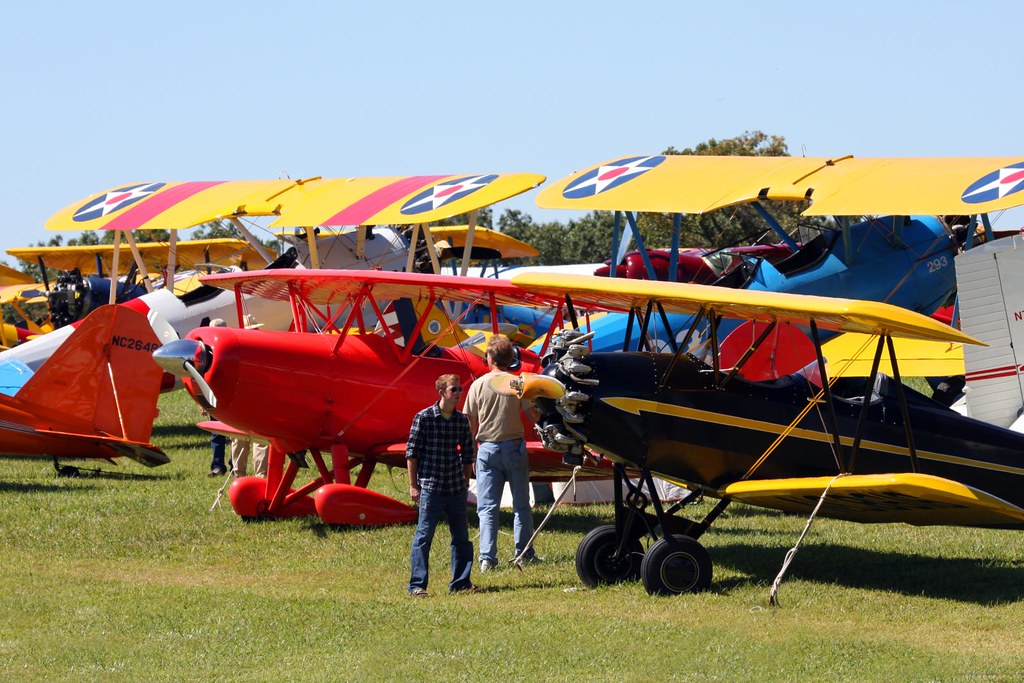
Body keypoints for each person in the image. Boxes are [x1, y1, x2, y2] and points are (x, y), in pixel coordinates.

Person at [464, 334, 540, 571]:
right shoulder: (517, 383)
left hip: (486, 449)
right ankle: (524, 553)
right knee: (521, 505)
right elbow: (533, 415)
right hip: (514, 448)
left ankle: (487, 558)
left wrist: (471, 453)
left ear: (490, 358)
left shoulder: (477, 385)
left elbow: (469, 423)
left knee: (487, 507)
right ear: (510, 359)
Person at [407, 373, 478, 597]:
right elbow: (412, 453)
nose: (458, 394)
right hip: (431, 486)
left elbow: (468, 454)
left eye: (459, 389)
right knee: (424, 536)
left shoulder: (461, 421)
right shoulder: (424, 418)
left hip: (455, 487)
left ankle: (461, 582)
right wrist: (413, 485)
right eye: (453, 390)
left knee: (461, 538)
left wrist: (465, 483)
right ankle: (417, 585)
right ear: (441, 393)